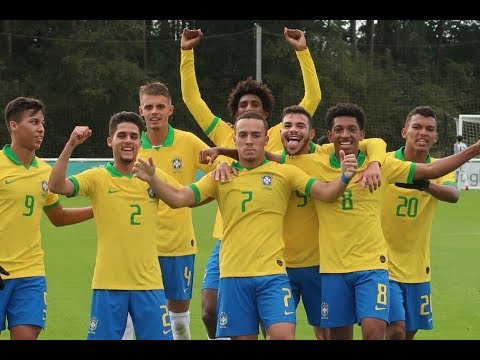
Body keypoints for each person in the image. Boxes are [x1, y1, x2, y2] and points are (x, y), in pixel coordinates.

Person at [133, 111, 358, 340]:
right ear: (235, 140)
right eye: (243, 135)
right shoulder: (220, 177)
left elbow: (327, 193)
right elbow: (179, 198)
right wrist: (152, 179)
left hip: (273, 275)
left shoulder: (285, 172)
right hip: (233, 276)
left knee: (283, 335)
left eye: (255, 135)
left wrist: (345, 177)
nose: (249, 140)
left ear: (265, 139)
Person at [278, 102, 480, 340]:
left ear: (362, 135)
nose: (345, 134)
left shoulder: (382, 165)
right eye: (339, 130)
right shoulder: (314, 163)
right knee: (337, 336)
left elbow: (433, 170)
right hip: (332, 268)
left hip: (372, 265)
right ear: (329, 135)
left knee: (377, 331)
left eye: (352, 129)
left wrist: (475, 148)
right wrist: (228, 153)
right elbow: (267, 158)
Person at [180, 26, 322, 339]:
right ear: (234, 116)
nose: (248, 110)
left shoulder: (276, 137)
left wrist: (302, 51)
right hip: (226, 241)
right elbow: (192, 99)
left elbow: (312, 97)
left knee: (264, 320)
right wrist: (186, 53)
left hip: (264, 246)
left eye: (255, 106)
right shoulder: (224, 133)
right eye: (243, 106)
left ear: (267, 115)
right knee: (208, 308)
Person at [201, 104, 386, 340]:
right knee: (272, 332)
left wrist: (374, 163)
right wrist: (224, 157)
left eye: (300, 125)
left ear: (312, 134)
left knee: (326, 332)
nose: (292, 130)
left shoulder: (322, 158)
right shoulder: (279, 164)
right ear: (279, 133)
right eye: (287, 125)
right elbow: (254, 154)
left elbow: (374, 143)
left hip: (316, 263)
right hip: (276, 265)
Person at [48, 111, 178, 340]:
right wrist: (70, 145)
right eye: (121, 135)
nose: (128, 141)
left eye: (133, 136)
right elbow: (56, 185)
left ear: (140, 142)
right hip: (108, 283)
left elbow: (184, 198)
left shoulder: (153, 176)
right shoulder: (97, 177)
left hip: (149, 283)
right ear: (110, 141)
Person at [121, 81, 219, 340]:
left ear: (171, 110)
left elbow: (219, 176)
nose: (154, 112)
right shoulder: (130, 145)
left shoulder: (187, 142)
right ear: (140, 110)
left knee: (179, 322)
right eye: (149, 106)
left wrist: (193, 200)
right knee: (132, 318)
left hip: (178, 245)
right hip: (139, 248)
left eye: (160, 106)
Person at [0, 96, 94, 340]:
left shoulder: (45, 172)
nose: (40, 128)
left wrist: (99, 210)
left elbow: (58, 216)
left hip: (31, 272)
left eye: (42, 123)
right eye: (33, 122)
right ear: (13, 126)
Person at [382, 106, 459, 340]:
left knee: (408, 332)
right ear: (404, 132)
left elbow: (453, 195)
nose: (423, 132)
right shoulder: (384, 162)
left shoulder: (440, 168)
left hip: (417, 266)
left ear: (435, 137)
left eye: (430, 129)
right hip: (382, 263)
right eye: (417, 127)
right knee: (395, 329)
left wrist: (424, 184)